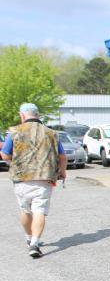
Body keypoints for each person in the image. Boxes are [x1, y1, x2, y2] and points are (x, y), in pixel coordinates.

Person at [1, 103, 66, 258]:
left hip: (21, 178)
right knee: (40, 210)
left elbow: (5, 155)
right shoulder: (51, 133)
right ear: (38, 115)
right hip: (44, 178)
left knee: (25, 210)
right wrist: (62, 171)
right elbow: (62, 157)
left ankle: (29, 238)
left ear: (22, 115)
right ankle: (35, 243)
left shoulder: (14, 131)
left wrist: (14, 161)